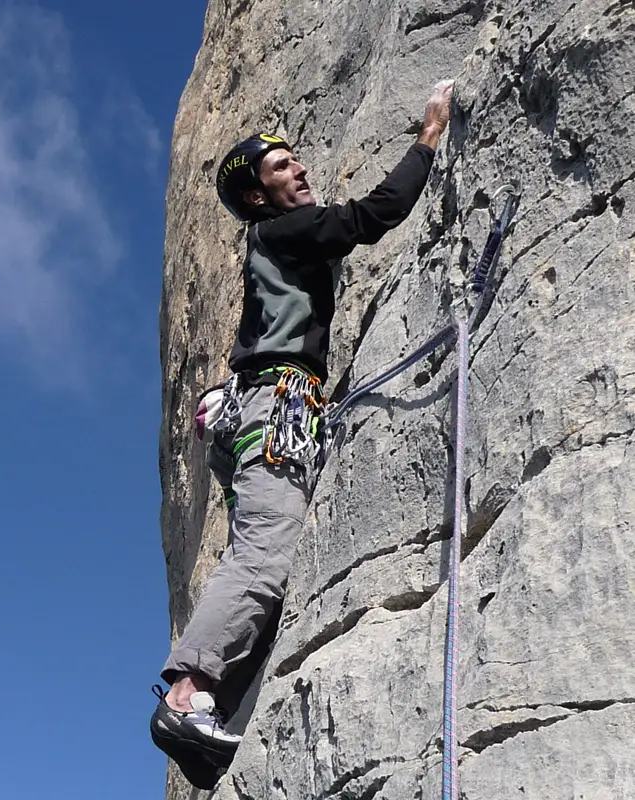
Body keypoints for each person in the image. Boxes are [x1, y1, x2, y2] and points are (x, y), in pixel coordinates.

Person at [149, 79, 455, 790]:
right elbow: (369, 217)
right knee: (261, 557)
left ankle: (212, 710)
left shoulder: (274, 237)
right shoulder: (279, 231)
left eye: (295, 160)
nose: (301, 169)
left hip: (265, 410)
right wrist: (429, 135)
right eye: (281, 167)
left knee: (266, 561)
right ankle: (186, 696)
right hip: (273, 408)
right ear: (257, 195)